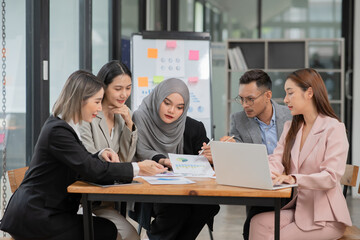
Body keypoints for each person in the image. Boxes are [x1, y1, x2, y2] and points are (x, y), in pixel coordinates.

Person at [0, 70, 166, 240]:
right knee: (107, 230)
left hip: (44, 212)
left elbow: (82, 163)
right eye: (97, 102)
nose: (100, 108)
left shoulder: (63, 126)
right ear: (80, 100)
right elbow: (91, 169)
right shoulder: (58, 130)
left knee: (107, 228)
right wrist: (138, 168)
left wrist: (100, 155)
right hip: (37, 217)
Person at [249, 68, 352, 239]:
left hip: (325, 218)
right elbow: (277, 160)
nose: (285, 100)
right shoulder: (292, 127)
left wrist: (294, 178)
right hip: (300, 210)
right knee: (258, 222)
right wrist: (257, 170)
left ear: (309, 93)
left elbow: (331, 177)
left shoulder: (334, 128)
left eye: (290, 93)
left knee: (276, 236)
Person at [130, 78, 220, 240]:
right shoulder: (141, 117)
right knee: (175, 208)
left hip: (188, 190)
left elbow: (205, 162)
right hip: (150, 189)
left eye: (180, 107)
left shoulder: (194, 127)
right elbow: (140, 151)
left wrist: (211, 157)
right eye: (167, 103)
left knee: (208, 206)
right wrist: (163, 160)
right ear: (158, 98)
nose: (172, 111)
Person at [219, 69, 292, 240]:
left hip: (291, 186)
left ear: (267, 95)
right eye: (241, 99)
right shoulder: (238, 119)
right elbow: (236, 152)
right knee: (250, 228)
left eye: (250, 99)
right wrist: (229, 148)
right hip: (260, 191)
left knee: (256, 227)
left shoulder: (291, 115)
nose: (244, 105)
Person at [79, 61, 139, 240]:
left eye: (128, 88)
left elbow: (125, 160)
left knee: (131, 236)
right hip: (86, 200)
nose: (124, 94)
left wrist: (129, 123)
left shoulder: (121, 116)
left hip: (106, 201)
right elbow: (88, 158)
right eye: (118, 88)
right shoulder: (87, 114)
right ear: (103, 87)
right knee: (127, 237)